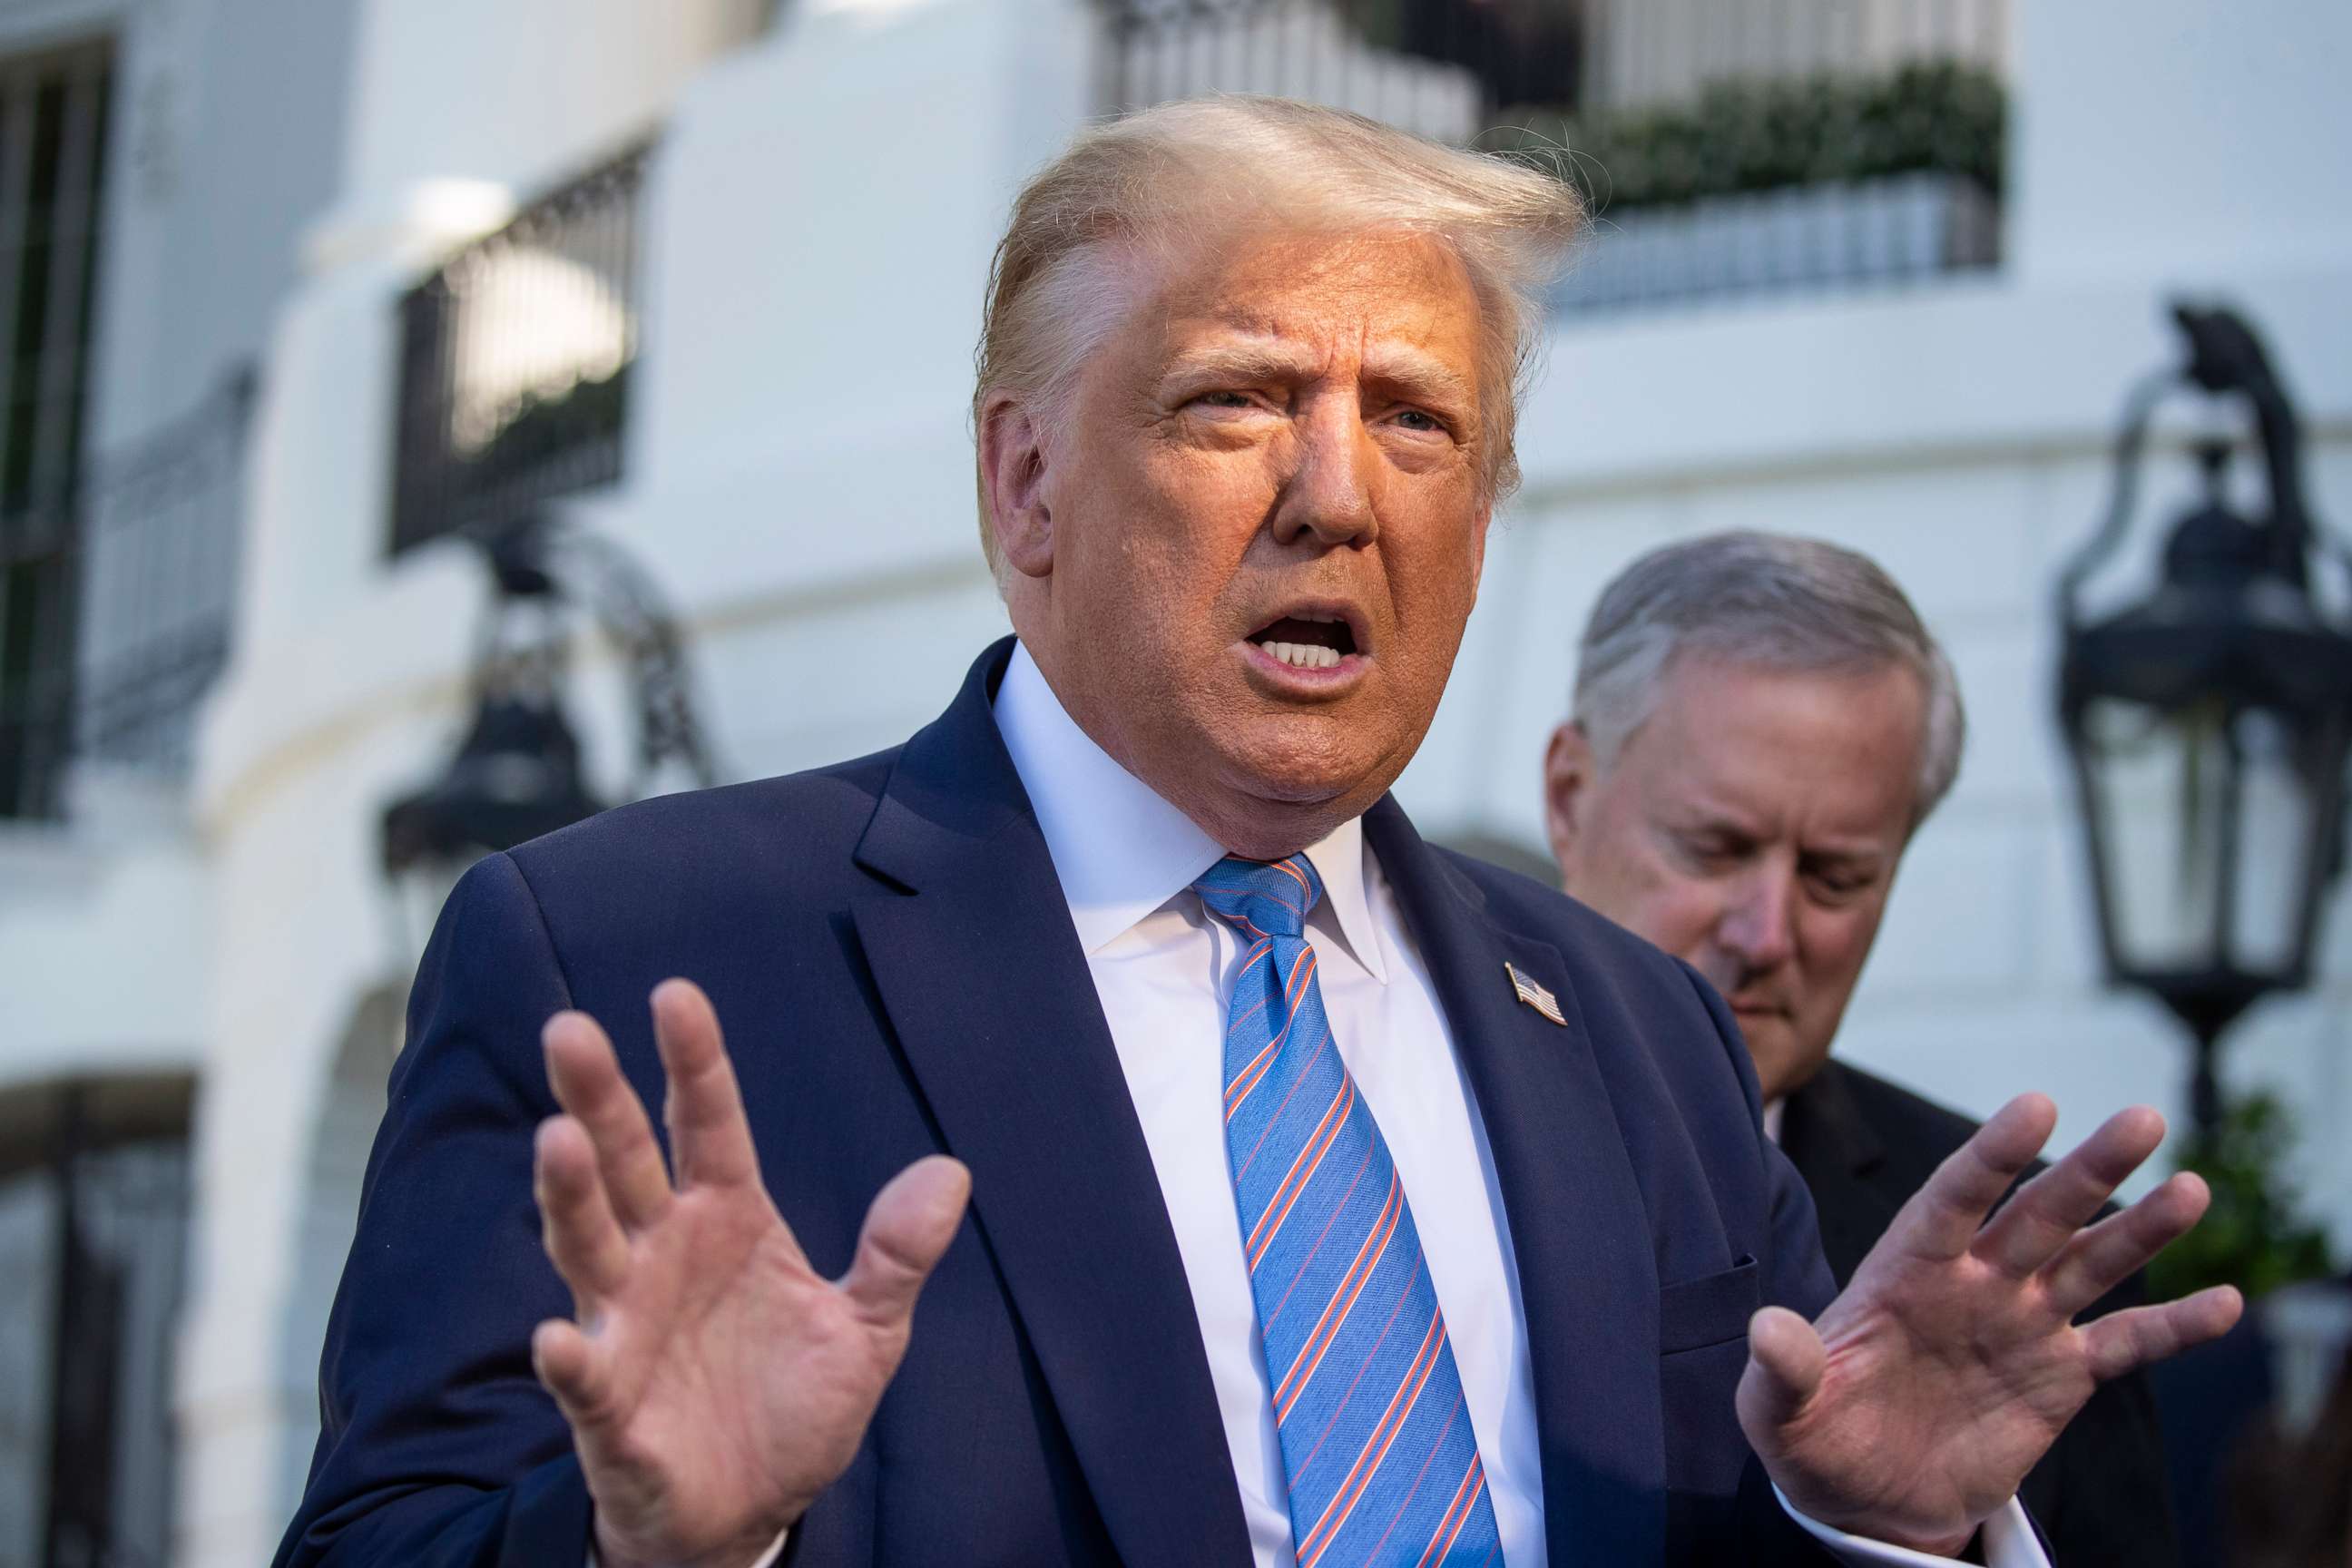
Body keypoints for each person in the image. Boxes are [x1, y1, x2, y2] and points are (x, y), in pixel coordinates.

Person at [279, 99, 2239, 1568]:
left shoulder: (1633, 1038)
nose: (1339, 496)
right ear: (1025, 477)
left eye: (1419, 423)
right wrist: (656, 1549)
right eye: (1238, 401)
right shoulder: (638, 952)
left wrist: (1872, 1535)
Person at [1542, 531, 2180, 1564]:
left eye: (1835, 877)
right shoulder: (1347, 1136)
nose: (1767, 932)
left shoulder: (2030, 1279)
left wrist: (1929, 1541)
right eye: (1716, 849)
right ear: (1570, 793)